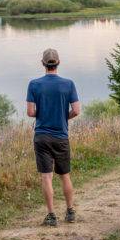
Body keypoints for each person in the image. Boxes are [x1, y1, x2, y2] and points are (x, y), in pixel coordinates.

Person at [26, 48, 81, 226]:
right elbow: (76, 111)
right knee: (65, 175)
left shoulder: (34, 84)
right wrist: (62, 116)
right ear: (58, 63)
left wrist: (44, 112)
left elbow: (30, 112)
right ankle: (70, 211)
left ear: (43, 63)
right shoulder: (69, 84)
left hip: (41, 137)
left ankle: (51, 216)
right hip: (61, 136)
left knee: (46, 177)